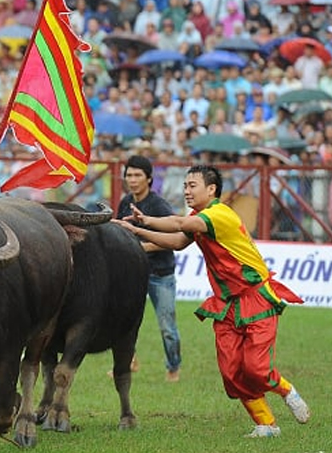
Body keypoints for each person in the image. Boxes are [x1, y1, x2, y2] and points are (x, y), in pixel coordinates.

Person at [113, 165, 310, 438]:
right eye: (185, 185)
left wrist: (143, 222)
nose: (186, 190)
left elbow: (181, 225)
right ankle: (267, 425)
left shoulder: (219, 214)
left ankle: (287, 390)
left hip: (255, 299)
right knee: (231, 373)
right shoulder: (198, 218)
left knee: (256, 369)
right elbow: (178, 242)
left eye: (192, 185)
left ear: (211, 189)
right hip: (226, 304)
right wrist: (135, 234)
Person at [116, 156, 181, 382]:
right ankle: (128, 362)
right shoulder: (125, 203)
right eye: (129, 175)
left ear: (149, 179)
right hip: (132, 274)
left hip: (160, 273)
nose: (132, 180)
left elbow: (173, 237)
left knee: (167, 327)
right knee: (125, 322)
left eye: (137, 175)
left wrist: (139, 248)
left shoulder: (159, 206)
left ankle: (173, 367)